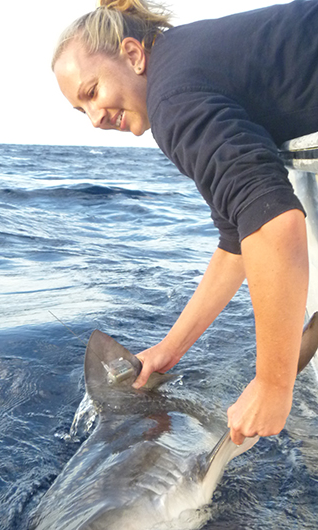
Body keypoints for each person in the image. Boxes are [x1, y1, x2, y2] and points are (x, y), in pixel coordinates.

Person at [52, 0, 318, 446]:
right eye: (82, 111)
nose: (95, 118)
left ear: (134, 56)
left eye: (92, 92)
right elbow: (238, 238)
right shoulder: (185, 64)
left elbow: (274, 226)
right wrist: (170, 349)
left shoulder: (172, 99)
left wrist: (273, 385)